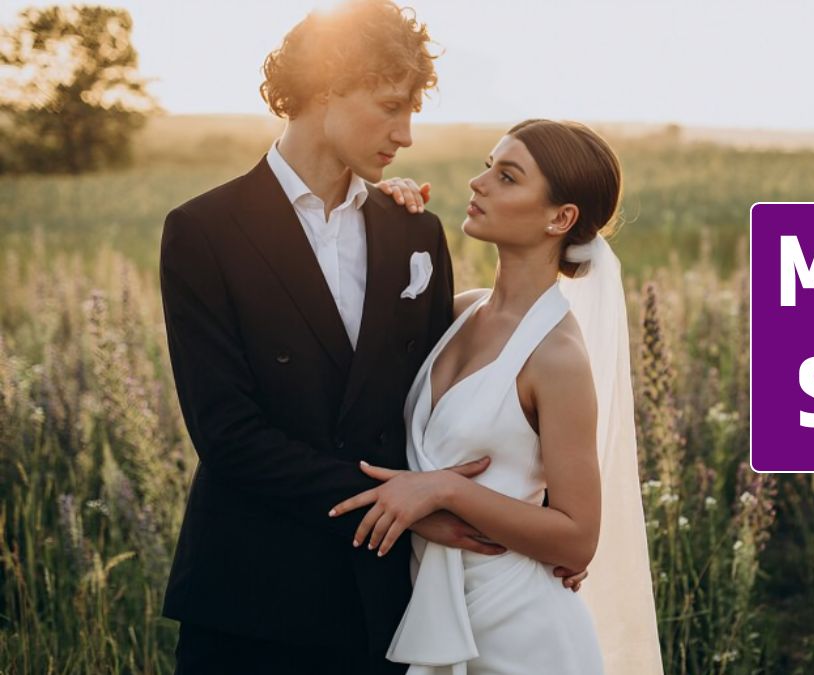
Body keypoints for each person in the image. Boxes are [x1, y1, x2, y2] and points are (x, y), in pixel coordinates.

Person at [157, 3, 592, 673]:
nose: (406, 135)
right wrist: (405, 507)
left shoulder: (413, 231)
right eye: (391, 107)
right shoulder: (204, 231)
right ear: (327, 86)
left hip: (387, 607)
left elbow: (450, 401)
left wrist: (532, 531)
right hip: (250, 599)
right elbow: (226, 432)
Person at [333, 119, 663, 673]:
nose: (478, 182)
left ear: (561, 218)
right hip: (431, 605)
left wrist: (445, 491)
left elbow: (578, 539)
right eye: (488, 165)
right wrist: (386, 214)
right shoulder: (460, 312)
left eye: (506, 177)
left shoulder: (556, 356)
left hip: (521, 631)